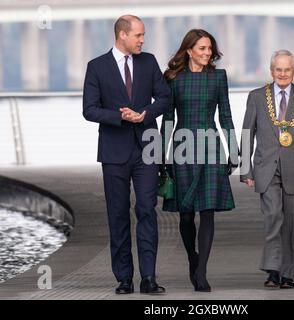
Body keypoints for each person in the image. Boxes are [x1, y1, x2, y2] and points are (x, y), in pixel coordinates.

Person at [82, 15, 170, 295]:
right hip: (114, 151)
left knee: (147, 210)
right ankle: (123, 278)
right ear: (122, 35)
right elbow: (89, 109)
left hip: (146, 148)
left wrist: (144, 114)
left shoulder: (149, 61)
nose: (143, 40)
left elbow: (165, 98)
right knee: (117, 214)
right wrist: (121, 117)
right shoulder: (96, 67)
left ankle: (149, 278)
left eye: (143, 35)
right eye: (138, 35)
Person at [160, 29, 238, 292]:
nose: (207, 53)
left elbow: (225, 116)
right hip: (182, 148)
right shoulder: (173, 78)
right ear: (189, 50)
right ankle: (192, 259)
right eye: (202, 48)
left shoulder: (218, 77)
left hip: (211, 146)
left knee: (207, 211)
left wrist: (234, 151)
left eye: (209, 49)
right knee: (185, 214)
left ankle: (202, 271)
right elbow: (168, 120)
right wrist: (161, 155)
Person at [240, 49, 294, 289]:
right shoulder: (256, 96)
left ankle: (288, 274)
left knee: (292, 223)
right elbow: (248, 134)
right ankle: (273, 270)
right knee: (273, 216)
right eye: (278, 69)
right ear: (271, 71)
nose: (283, 74)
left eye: (287, 69)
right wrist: (246, 170)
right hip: (266, 169)